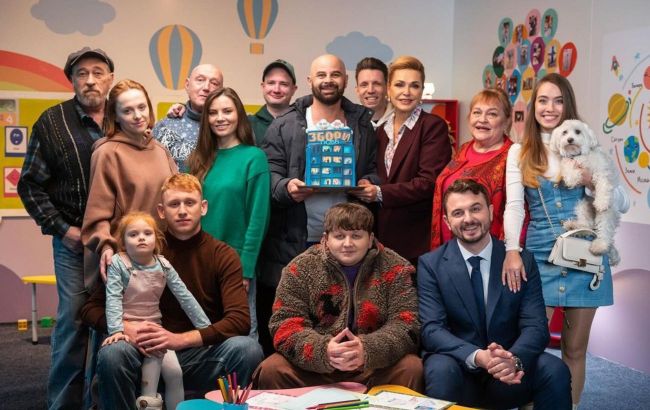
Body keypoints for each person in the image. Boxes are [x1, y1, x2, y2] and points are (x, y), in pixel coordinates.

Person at [502, 73, 629, 409]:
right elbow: (514, 207)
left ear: (568, 105)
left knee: (574, 349)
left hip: (585, 255)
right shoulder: (519, 151)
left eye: (558, 101)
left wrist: (590, 180)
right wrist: (512, 252)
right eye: (543, 100)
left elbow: (622, 202)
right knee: (530, 346)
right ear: (534, 106)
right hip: (539, 255)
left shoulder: (589, 147)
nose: (550, 108)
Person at [84, 173, 263, 408]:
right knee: (113, 353)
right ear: (161, 211)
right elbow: (90, 309)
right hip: (143, 351)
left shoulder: (223, 255)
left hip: (197, 354)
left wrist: (178, 340)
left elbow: (239, 320)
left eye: (190, 203)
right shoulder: (137, 250)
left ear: (203, 207)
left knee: (247, 349)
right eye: (174, 204)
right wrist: (127, 328)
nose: (182, 211)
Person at [259, 54, 380, 356]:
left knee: (342, 320)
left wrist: (368, 183)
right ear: (310, 80)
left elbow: (373, 168)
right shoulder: (285, 124)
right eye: (321, 75)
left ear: (345, 81)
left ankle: (340, 370)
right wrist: (286, 187)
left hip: (347, 243)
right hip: (297, 240)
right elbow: (270, 173)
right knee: (298, 322)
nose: (328, 80)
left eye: (335, 74)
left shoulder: (362, 124)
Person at [418, 179, 572, 409]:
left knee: (555, 370)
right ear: (447, 221)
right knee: (439, 369)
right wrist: (478, 356)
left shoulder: (522, 261)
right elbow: (432, 330)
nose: (468, 219)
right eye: (458, 213)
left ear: (490, 212)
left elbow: (536, 326)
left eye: (475, 208)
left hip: (509, 370)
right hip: (459, 368)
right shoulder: (431, 265)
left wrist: (513, 360)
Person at [17, 46, 114, 409]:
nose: (90, 80)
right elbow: (30, 185)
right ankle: (64, 404)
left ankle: (104, 401)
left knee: (114, 323)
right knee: (74, 322)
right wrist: (63, 231)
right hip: (73, 242)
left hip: (118, 245)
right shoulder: (51, 122)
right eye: (81, 73)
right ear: (71, 80)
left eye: (98, 72)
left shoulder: (123, 115)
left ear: (110, 78)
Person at [254, 203, 422, 391]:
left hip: (373, 367)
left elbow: (406, 324)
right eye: (339, 236)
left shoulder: (396, 268)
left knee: (411, 367)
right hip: (316, 368)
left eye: (356, 236)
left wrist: (367, 349)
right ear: (325, 239)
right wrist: (324, 351)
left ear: (370, 239)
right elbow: (285, 323)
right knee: (271, 369)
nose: (348, 244)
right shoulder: (299, 268)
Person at [102, 211, 211, 410]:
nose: (141, 238)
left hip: (155, 328)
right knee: (150, 378)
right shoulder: (119, 262)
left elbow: (185, 297)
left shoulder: (163, 264)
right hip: (129, 329)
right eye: (133, 234)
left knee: (175, 374)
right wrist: (116, 330)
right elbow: (113, 298)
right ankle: (149, 402)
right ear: (123, 242)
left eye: (147, 233)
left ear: (156, 239)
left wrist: (205, 328)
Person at [353, 56, 452, 266]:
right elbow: (379, 173)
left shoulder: (433, 126)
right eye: (399, 85)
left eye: (414, 86)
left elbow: (428, 183)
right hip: (381, 240)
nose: (406, 92)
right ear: (388, 89)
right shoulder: (381, 130)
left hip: (417, 241)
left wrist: (379, 192)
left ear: (422, 91)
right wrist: (367, 182)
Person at [188, 88, 270, 339]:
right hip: (198, 264)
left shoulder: (253, 158)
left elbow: (258, 219)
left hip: (235, 265)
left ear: (239, 115)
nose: (220, 118)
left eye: (227, 111)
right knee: (202, 336)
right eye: (213, 113)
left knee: (242, 338)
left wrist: (246, 268)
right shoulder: (198, 160)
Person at [81, 79, 177, 286]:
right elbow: (97, 214)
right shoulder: (107, 153)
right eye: (127, 111)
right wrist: (106, 246)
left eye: (142, 107)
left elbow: (175, 201)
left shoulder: (161, 151)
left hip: (162, 259)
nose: (137, 115)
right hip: (124, 260)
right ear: (115, 116)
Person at [431, 88, 513, 249]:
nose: (482, 119)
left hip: (486, 250)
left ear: (506, 121)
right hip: (449, 247)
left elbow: (519, 212)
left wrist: (509, 252)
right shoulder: (464, 148)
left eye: (492, 114)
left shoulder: (512, 156)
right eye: (477, 112)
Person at [153, 64, 223, 171]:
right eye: (200, 80)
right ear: (187, 84)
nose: (206, 87)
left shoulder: (227, 129)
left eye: (214, 83)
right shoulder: (165, 126)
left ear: (221, 91)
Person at [249, 59, 298, 145]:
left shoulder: (303, 123)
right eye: (271, 83)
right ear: (263, 87)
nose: (276, 90)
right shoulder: (248, 125)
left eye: (283, 84)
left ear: (293, 89)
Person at [354, 57, 393, 129]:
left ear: (387, 88)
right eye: (364, 85)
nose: (370, 90)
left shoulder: (402, 117)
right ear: (357, 90)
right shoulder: (347, 122)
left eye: (376, 84)